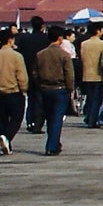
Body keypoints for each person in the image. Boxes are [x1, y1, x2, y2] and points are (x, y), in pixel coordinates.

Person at [32, 26, 75, 156]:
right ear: (60, 38)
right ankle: (52, 145)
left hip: (45, 89)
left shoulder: (40, 54)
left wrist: (39, 84)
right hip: (60, 89)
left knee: (50, 117)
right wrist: (70, 88)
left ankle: (54, 143)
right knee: (57, 118)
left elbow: (34, 73)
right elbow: (69, 74)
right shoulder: (64, 55)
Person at [0, 28, 29, 155]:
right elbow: (22, 76)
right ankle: (7, 137)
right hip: (14, 92)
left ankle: (6, 143)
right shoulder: (16, 56)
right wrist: (24, 88)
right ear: (10, 40)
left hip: (0, 93)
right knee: (16, 119)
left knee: (2, 120)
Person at [78, 24, 103, 128]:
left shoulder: (84, 44)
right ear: (98, 31)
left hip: (87, 74)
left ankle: (88, 117)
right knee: (98, 99)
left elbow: (82, 58)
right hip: (99, 75)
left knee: (90, 98)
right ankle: (92, 120)